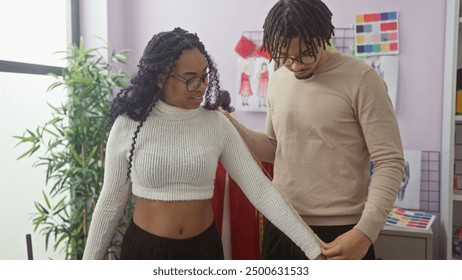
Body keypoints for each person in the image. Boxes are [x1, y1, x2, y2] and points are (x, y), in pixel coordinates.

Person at [82, 27, 323, 260]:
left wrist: (314, 249)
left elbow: (261, 190)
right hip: (146, 251)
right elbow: (111, 201)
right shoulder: (129, 124)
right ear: (160, 79)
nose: (201, 86)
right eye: (190, 79)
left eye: (205, 76)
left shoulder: (215, 124)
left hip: (203, 250)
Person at [221, 0, 404, 260]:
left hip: (341, 232)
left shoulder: (363, 80)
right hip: (282, 224)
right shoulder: (278, 79)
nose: (296, 65)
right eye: (285, 57)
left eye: (306, 53)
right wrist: (232, 126)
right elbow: (276, 148)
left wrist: (365, 232)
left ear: (323, 37)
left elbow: (389, 162)